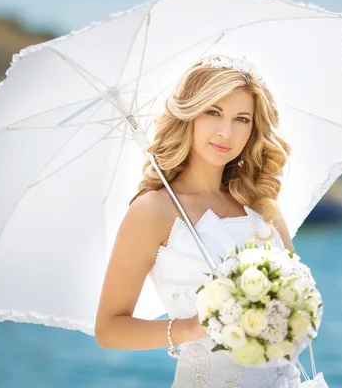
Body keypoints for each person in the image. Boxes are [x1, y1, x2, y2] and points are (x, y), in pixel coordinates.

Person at [94, 54, 302, 387]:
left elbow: (293, 307)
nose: (226, 132)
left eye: (242, 119)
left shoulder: (264, 210)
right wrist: (191, 327)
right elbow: (108, 329)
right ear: (189, 114)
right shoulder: (153, 211)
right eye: (213, 112)